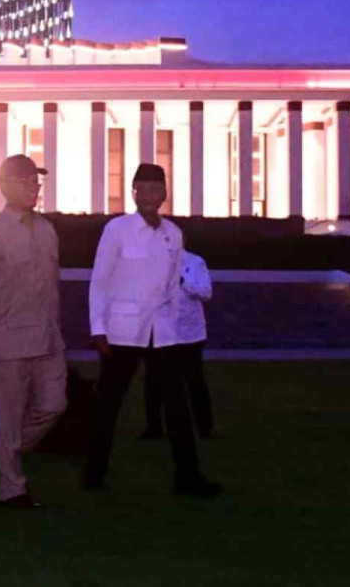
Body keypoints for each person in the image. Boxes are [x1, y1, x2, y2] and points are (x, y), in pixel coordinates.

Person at [83, 163, 221, 497]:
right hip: (122, 332)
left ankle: (188, 477)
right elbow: (99, 281)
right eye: (141, 188)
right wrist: (98, 329)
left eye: (154, 188)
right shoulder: (117, 229)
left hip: (162, 333)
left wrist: (174, 327)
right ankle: (93, 475)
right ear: (133, 193)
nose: (148, 195)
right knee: (108, 406)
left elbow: (173, 285)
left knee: (177, 406)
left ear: (164, 193)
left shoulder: (173, 233)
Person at [0, 156, 68, 507]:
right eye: (26, 182)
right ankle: (11, 488)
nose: (34, 188)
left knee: (54, 405)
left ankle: (5, 452)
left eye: (36, 182)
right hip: (7, 336)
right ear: (5, 186)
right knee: (7, 415)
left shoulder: (47, 230)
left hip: (48, 337)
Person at [141, 249, 215, 440]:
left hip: (189, 334)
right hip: (159, 331)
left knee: (194, 380)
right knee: (153, 379)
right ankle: (154, 428)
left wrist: (183, 282)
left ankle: (204, 428)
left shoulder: (196, 262)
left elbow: (206, 293)